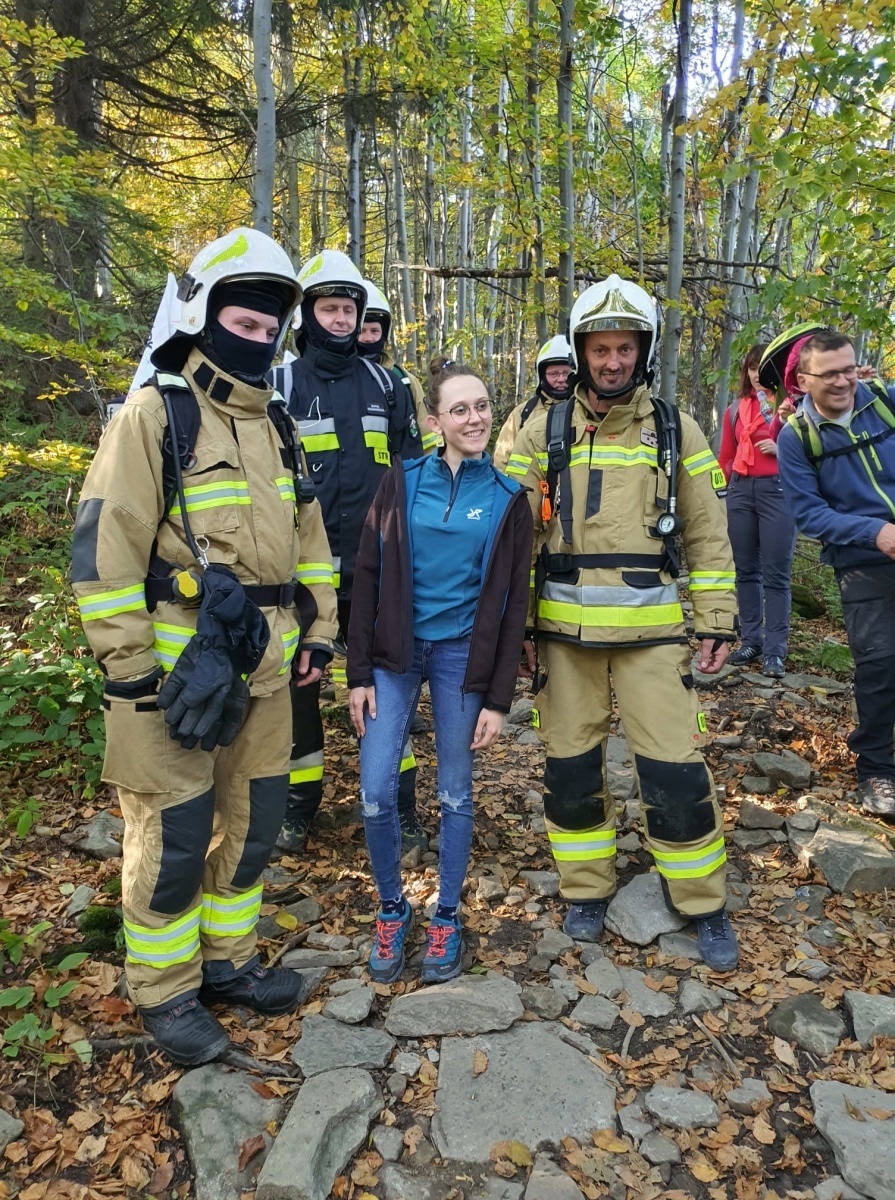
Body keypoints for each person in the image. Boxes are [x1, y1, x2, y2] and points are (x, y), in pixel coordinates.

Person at [71, 228, 339, 1064]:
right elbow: (103, 548)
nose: (255, 339)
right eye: (241, 323)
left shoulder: (278, 424)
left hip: (267, 670)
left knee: (254, 828)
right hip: (173, 679)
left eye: (268, 327)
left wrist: (319, 633)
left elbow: (310, 545)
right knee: (175, 837)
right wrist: (129, 670)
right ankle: (165, 990)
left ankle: (227, 963)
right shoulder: (156, 414)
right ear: (204, 317)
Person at [506, 273, 740, 970]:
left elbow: (707, 530)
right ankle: (586, 890)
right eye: (600, 349)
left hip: (653, 636)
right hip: (562, 638)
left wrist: (717, 619)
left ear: (644, 351)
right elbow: (510, 541)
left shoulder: (675, 429)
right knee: (570, 769)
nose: (612, 362)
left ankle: (702, 902)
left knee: (674, 770)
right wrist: (514, 630)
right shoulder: (540, 429)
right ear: (580, 352)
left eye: (625, 348)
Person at [347, 357, 533, 984]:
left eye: (482, 406)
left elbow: (514, 606)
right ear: (435, 422)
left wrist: (498, 700)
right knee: (376, 791)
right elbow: (367, 577)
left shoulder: (508, 499)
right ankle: (392, 907)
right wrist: (357, 673)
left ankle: (446, 916)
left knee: (455, 791)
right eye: (460, 409)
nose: (475, 418)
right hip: (395, 656)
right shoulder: (400, 482)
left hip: (462, 658)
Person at [270, 250, 425, 855]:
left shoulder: (387, 385)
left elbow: (413, 476)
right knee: (298, 692)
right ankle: (296, 809)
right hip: (302, 576)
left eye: (348, 309)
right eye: (329, 308)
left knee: (386, 691)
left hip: (376, 573)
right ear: (307, 315)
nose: (340, 319)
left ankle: (399, 808)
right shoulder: (280, 384)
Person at [776, 329, 895, 820]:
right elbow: (809, 514)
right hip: (861, 560)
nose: (844, 381)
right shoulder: (796, 438)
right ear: (803, 380)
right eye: (830, 374)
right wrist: (876, 533)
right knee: (880, 664)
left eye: (849, 369)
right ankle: (877, 770)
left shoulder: (884, 401)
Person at [719, 345, 796, 678]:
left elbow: (811, 449)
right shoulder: (735, 409)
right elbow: (725, 456)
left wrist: (781, 448)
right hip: (739, 490)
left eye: (762, 368)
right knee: (745, 570)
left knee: (776, 574)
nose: (756, 375)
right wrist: (723, 491)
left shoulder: (789, 407)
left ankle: (775, 651)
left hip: (778, 490)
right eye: (751, 368)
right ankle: (751, 640)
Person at [359, 279, 438, 455]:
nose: (368, 338)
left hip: (401, 469)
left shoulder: (405, 381)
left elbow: (428, 440)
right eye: (362, 331)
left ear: (384, 334)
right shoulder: (336, 379)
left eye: (374, 331)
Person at [492, 336, 573, 472]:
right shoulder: (522, 414)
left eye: (566, 373)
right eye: (553, 374)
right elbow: (501, 461)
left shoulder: (589, 411)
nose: (561, 379)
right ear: (542, 375)